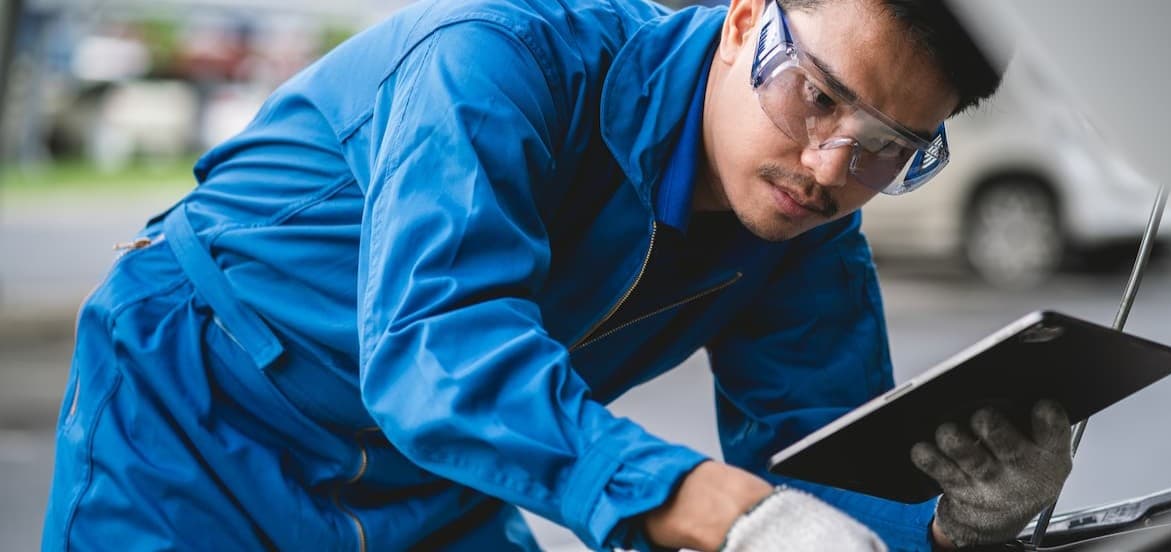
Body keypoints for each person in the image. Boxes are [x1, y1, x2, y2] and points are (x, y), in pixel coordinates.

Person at [42, 0, 1073, 550]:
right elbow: (436, 345)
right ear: (744, 19)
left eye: (890, 147)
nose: (828, 167)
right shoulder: (495, 59)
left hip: (430, 477)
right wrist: (688, 497)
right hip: (195, 413)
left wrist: (947, 521)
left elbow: (820, 466)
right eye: (815, 97)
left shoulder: (805, 229)